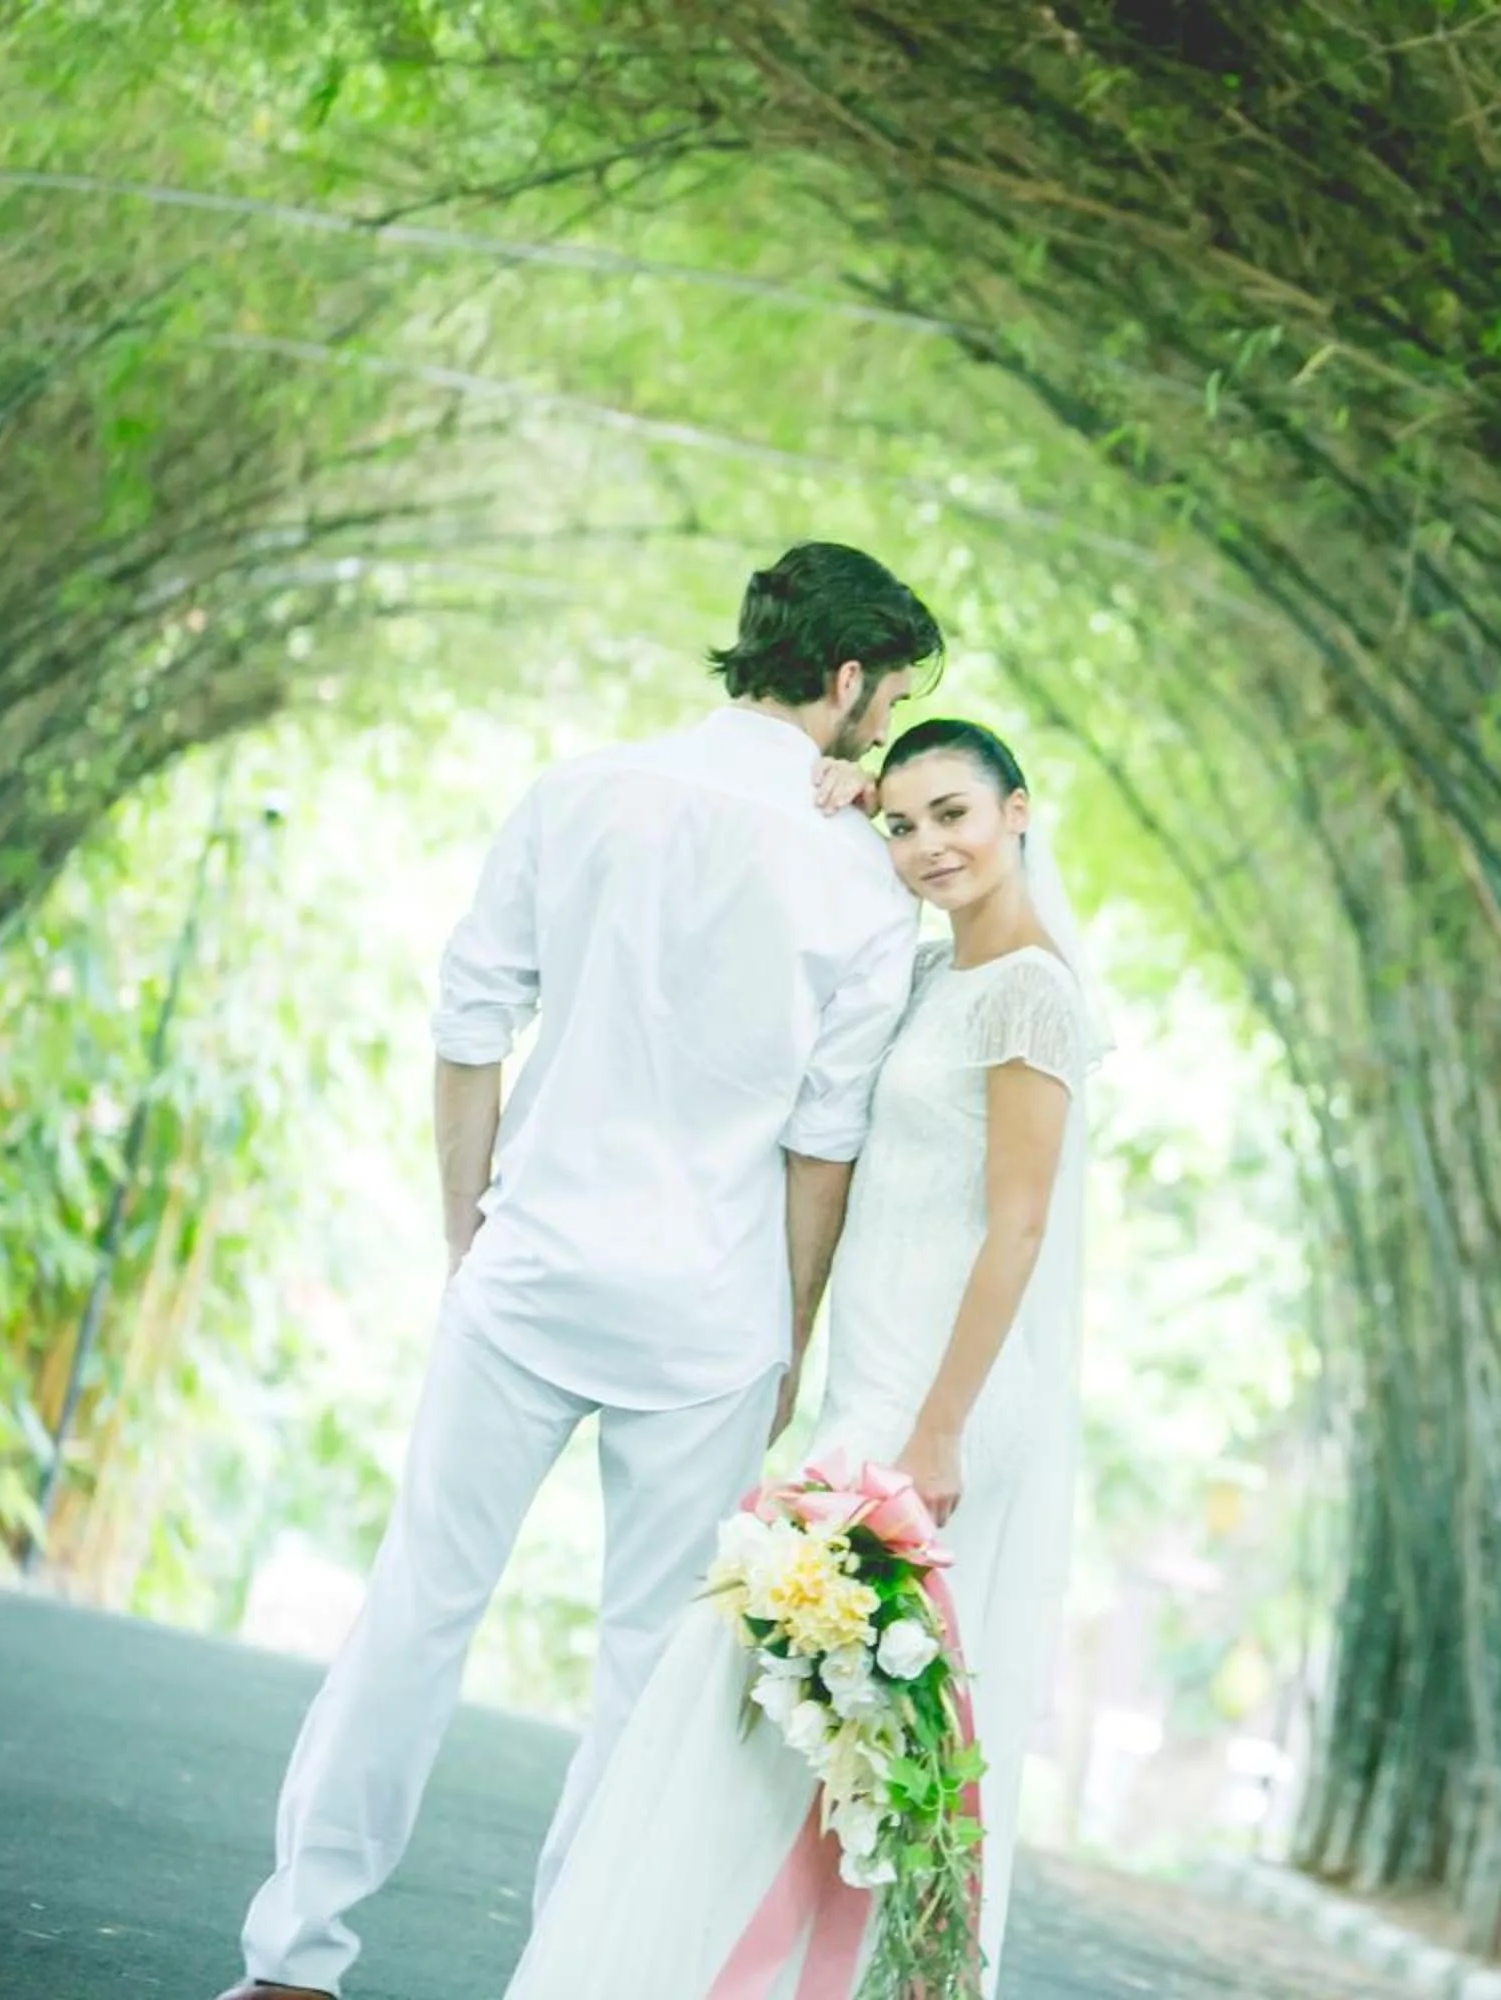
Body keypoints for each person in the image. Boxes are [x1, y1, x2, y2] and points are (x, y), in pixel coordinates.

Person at [219, 542, 945, 2000]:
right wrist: (789, 1338)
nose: (884, 733)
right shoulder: (866, 892)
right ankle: (572, 1976)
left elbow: (471, 1018)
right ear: (849, 679)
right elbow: (823, 1145)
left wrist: (462, 1231)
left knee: (415, 1609)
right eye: (891, 701)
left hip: (533, 1270)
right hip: (708, 1315)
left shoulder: (579, 792)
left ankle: (295, 1960)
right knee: (640, 1680)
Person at [504, 717, 1105, 2000]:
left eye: (953, 812)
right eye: (903, 822)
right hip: (874, 1388)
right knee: (797, 1729)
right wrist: (831, 794)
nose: (927, 844)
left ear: (1019, 813)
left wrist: (938, 1427)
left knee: (778, 1714)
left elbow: (1020, 1222)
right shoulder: (940, 976)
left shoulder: (1031, 994)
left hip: (937, 1413)